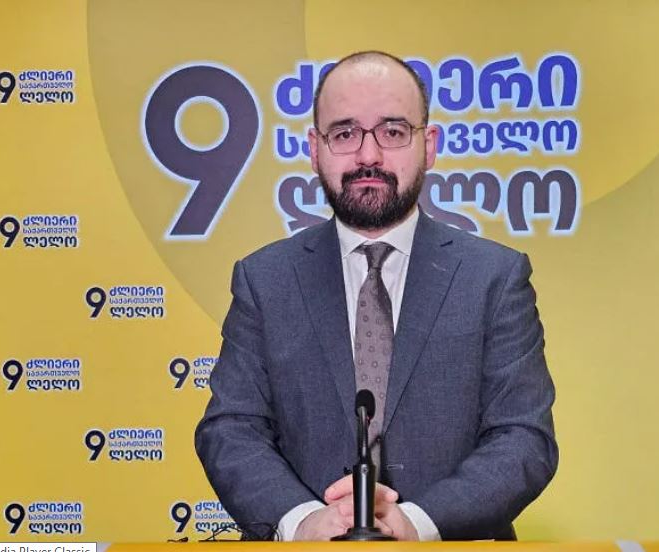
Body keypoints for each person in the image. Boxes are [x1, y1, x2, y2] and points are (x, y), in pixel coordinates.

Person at [195, 50, 558, 541]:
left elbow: (524, 437)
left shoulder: (494, 277)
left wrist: (420, 522)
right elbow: (231, 429)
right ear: (315, 149)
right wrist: (302, 521)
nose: (368, 156)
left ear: (429, 145)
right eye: (345, 133)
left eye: (393, 131)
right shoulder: (265, 280)